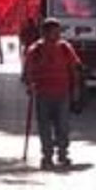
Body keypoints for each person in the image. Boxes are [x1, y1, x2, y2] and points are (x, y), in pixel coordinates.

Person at [23, 18, 83, 170]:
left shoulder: (65, 48)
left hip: (62, 93)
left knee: (63, 125)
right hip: (43, 94)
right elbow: (28, 71)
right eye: (54, 32)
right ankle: (47, 156)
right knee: (44, 127)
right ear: (45, 32)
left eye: (58, 31)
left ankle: (62, 153)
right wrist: (30, 84)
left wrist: (75, 88)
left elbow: (74, 68)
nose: (57, 35)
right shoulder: (34, 50)